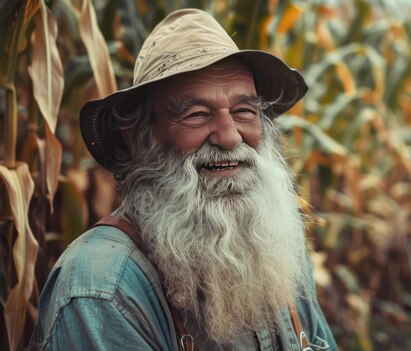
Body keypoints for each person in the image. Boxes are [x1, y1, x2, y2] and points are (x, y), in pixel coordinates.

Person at [28, 8, 337, 351]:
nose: (230, 136)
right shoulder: (102, 290)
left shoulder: (278, 251)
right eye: (197, 114)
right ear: (139, 137)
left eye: (244, 111)